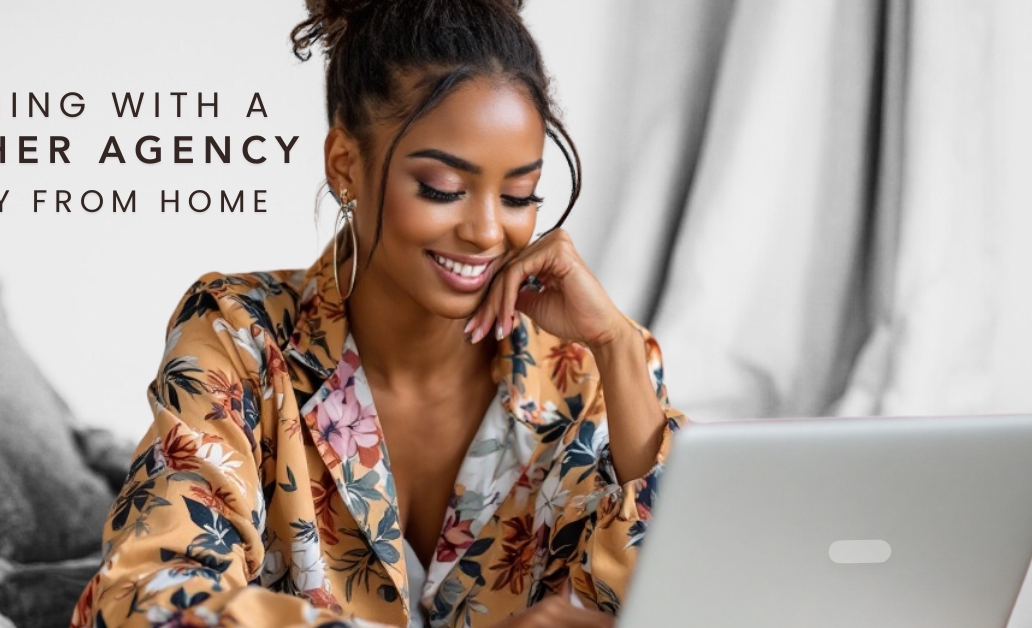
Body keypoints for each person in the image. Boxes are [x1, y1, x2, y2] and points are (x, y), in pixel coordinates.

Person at [70, 1, 687, 626]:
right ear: (345, 165)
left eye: (520, 195)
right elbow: (143, 598)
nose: (487, 230)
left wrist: (614, 345)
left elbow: (679, 601)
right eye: (442, 189)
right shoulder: (238, 338)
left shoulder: (589, 369)